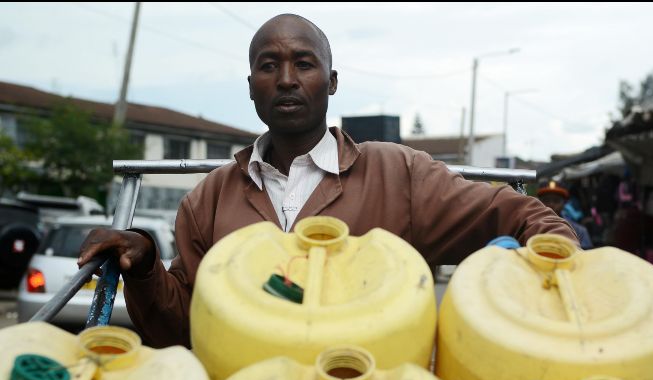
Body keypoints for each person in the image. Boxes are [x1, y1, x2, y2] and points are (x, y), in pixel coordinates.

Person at [78, 14, 578, 348]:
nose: (288, 79)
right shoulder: (209, 199)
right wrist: (143, 267)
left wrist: (562, 277)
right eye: (269, 66)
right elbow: (180, 328)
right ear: (251, 86)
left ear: (332, 82)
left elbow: (519, 214)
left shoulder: (398, 175)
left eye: (304, 63)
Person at [537, 180, 593, 249]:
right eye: (546, 200)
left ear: (565, 203)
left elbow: (586, 256)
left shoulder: (579, 231)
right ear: (539, 202)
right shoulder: (531, 226)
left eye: (556, 201)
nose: (551, 204)